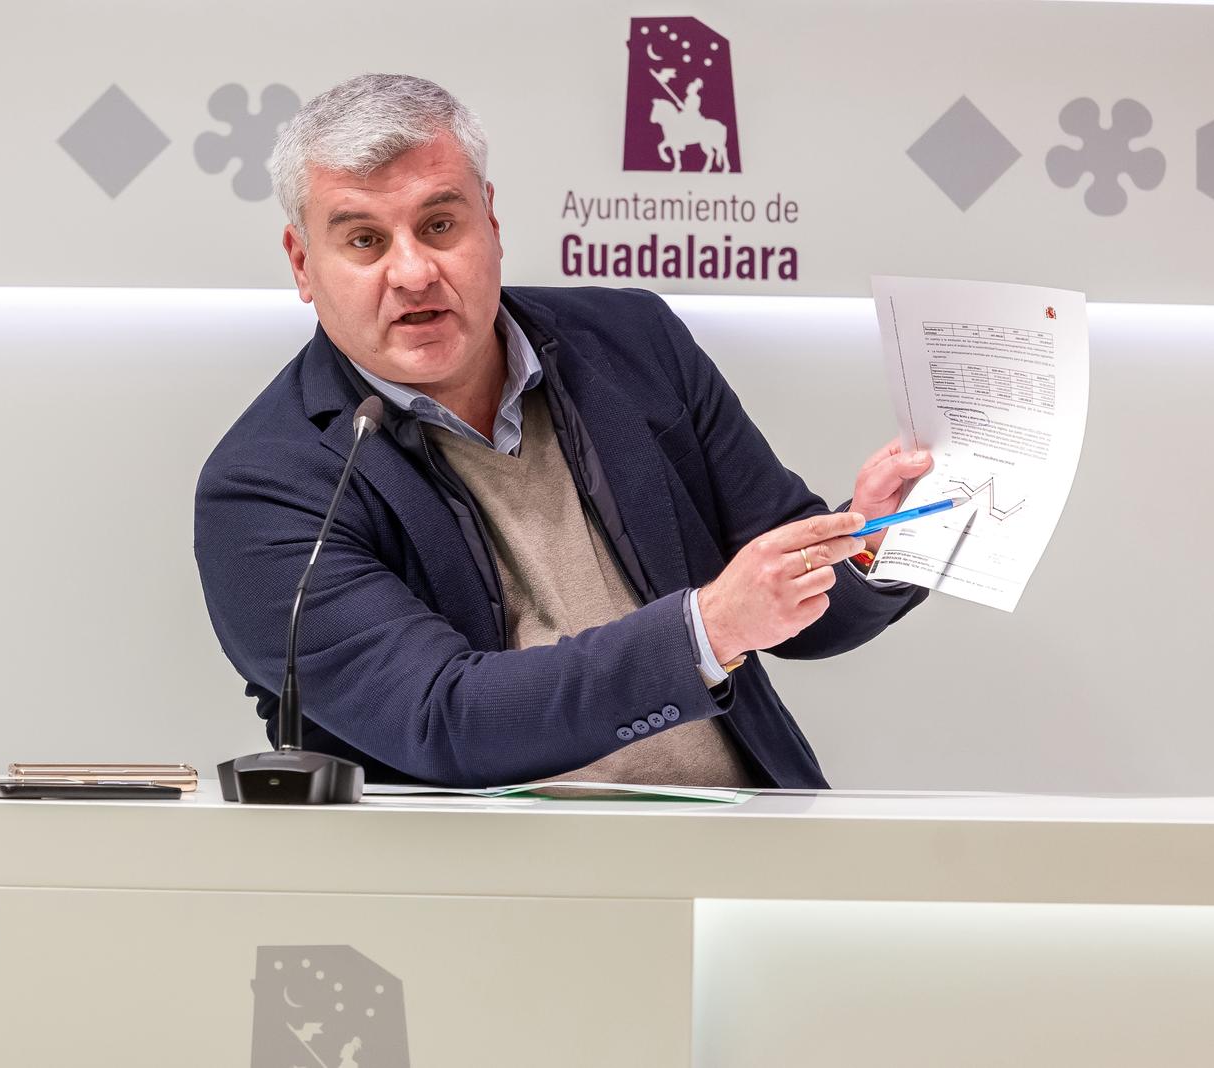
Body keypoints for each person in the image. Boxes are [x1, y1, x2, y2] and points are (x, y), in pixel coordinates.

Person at [195, 73, 931, 789]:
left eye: (440, 225)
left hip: (742, 837)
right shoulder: (262, 487)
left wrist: (879, 537)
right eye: (364, 241)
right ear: (303, 263)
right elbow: (442, 719)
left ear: (491, 222)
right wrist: (706, 631)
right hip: (484, 867)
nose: (413, 273)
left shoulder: (633, 341)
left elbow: (800, 610)